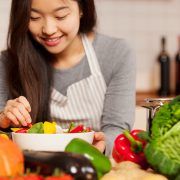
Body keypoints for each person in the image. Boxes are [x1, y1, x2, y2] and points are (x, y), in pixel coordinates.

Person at [0, 0, 136, 156]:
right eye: (34, 17)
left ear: (82, 9)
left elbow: (117, 128)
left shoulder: (117, 53)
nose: (49, 30)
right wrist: (3, 120)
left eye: (61, 16)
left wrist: (101, 147)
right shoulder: (8, 61)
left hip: (94, 166)